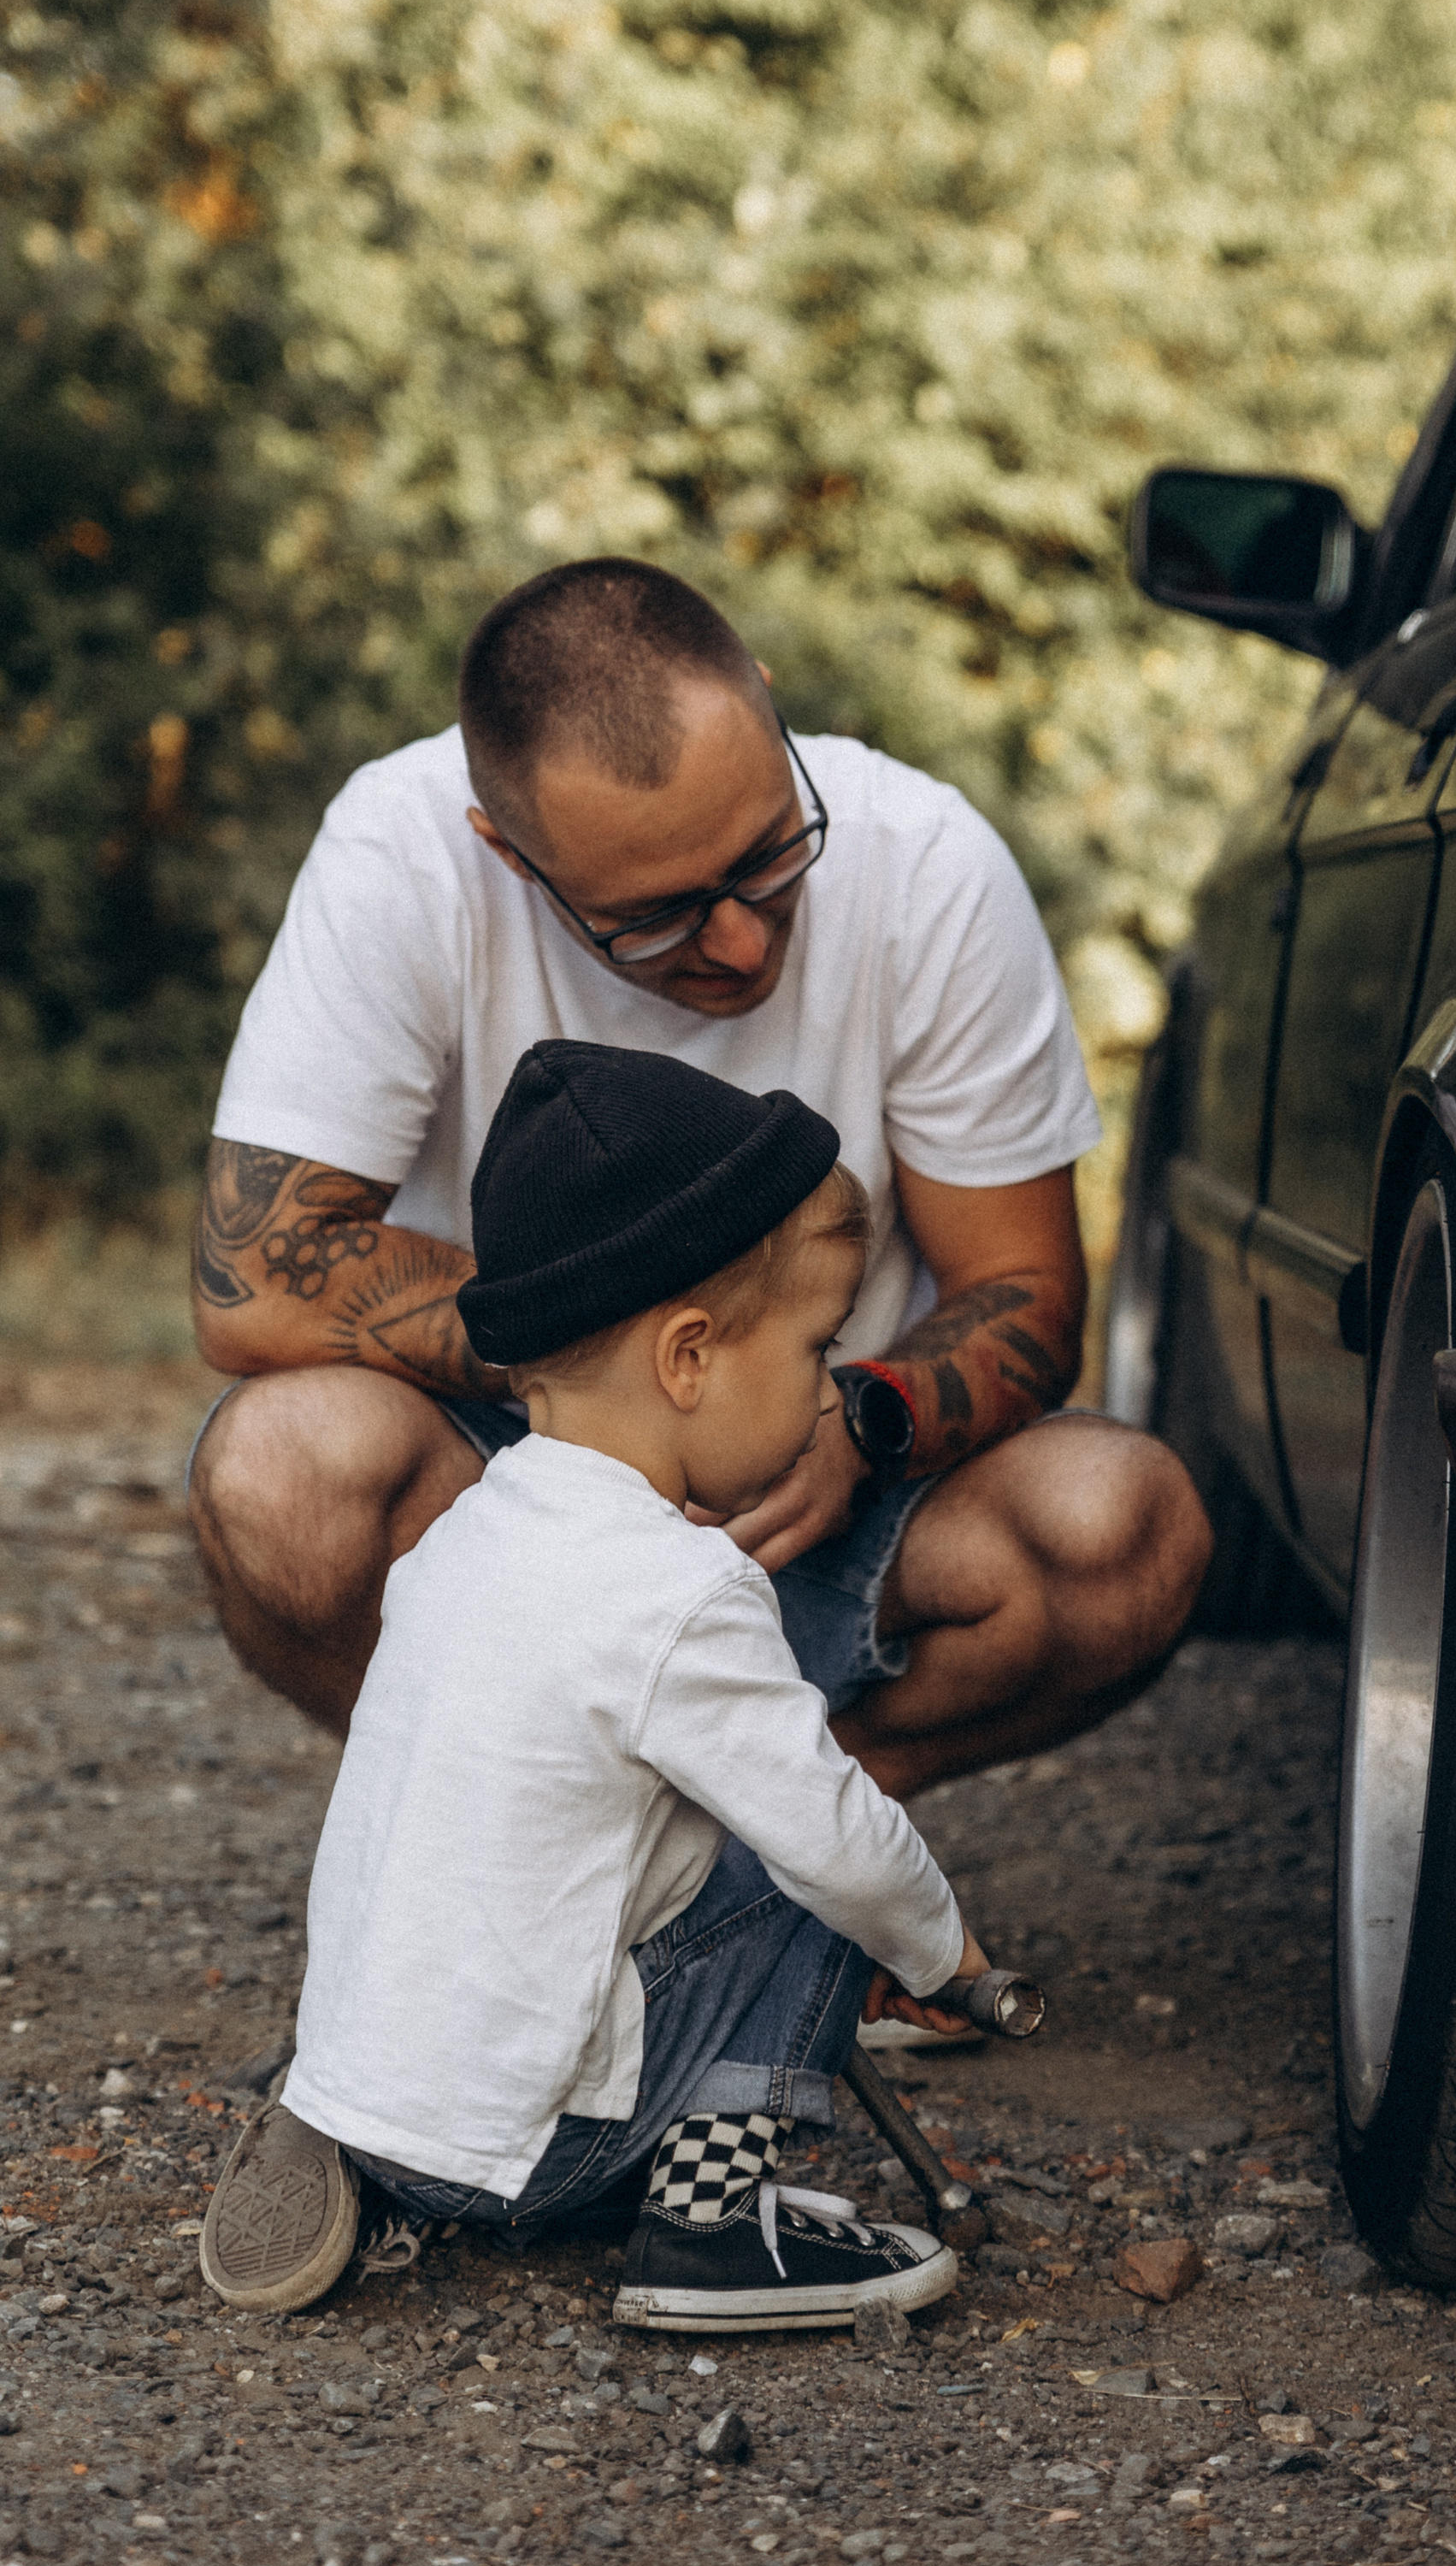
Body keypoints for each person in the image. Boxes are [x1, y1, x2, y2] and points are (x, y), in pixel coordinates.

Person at [186, 556, 1210, 1799]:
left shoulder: (928, 863)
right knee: (280, 1473)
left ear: (769, 707)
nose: (738, 937)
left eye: (773, 855)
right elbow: (257, 1278)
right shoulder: (397, 855)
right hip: (510, 1475)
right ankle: (496, 1815)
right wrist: (634, 1396)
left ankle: (794, 1833)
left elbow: (1025, 1291)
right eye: (655, 917)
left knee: (1126, 1526)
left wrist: (858, 1422)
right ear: (504, 849)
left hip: (833, 1474)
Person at [202, 1043, 994, 2328]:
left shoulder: (461, 1538)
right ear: (688, 1358)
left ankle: (374, 2126)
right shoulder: (677, 1592)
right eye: (816, 1347)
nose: (823, 1391)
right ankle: (707, 2225)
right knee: (815, 1872)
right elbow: (838, 1840)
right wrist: (945, 1951)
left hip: (381, 2104)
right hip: (529, 2147)